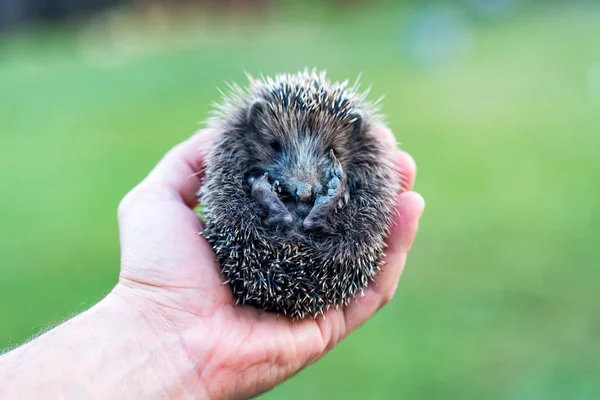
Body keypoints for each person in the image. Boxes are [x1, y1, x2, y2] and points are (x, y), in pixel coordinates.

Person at [0, 125, 424, 399]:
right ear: (257, 128)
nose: (301, 176)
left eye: (327, 150)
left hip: (331, 243)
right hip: (265, 233)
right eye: (278, 147)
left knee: (359, 212)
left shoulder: (362, 155)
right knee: (249, 203)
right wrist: (155, 319)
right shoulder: (239, 144)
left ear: (348, 138)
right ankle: (295, 209)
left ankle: (313, 210)